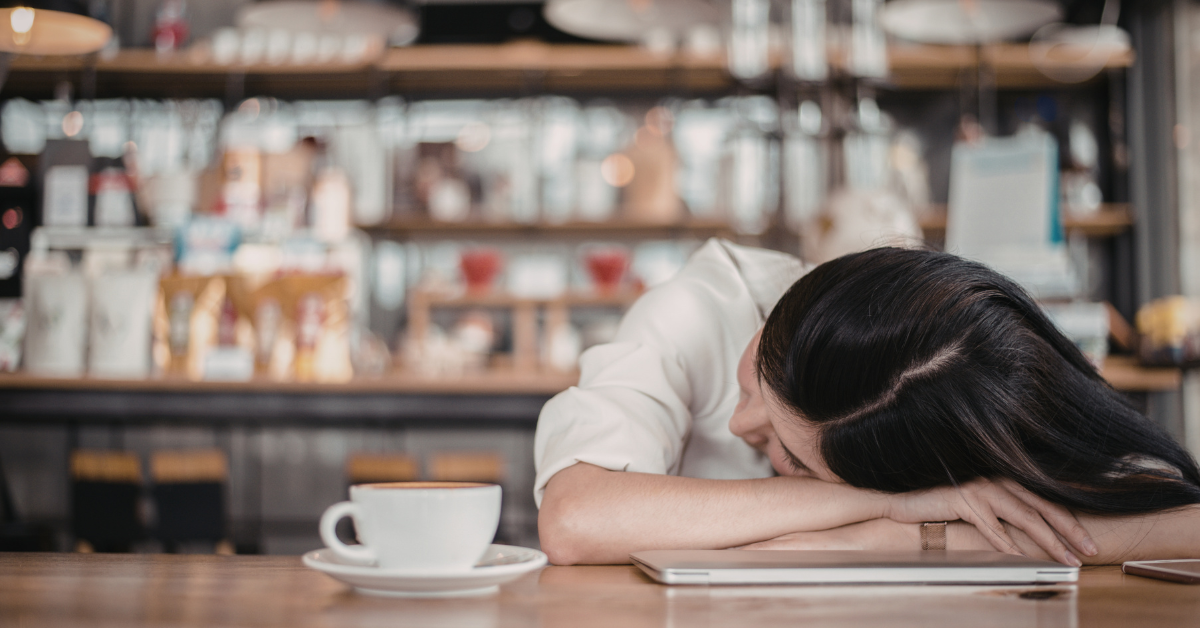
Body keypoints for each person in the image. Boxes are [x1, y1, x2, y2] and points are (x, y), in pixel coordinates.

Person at [535, 240, 1200, 566]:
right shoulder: (694, 312)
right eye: (751, 382)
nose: (740, 426)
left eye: (788, 455)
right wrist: (886, 508)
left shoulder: (941, 385)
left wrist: (903, 537)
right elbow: (575, 516)